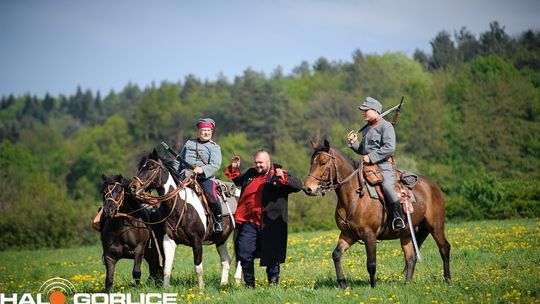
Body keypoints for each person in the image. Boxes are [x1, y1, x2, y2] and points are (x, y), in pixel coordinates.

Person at [225, 149, 302, 287]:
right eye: (256, 162)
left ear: (268, 162)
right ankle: (249, 284)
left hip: (270, 223)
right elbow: (238, 181)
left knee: (272, 254)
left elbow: (297, 185)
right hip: (249, 221)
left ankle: (273, 283)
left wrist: (284, 178)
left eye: (261, 163)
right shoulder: (251, 173)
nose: (258, 165)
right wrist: (235, 168)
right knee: (243, 251)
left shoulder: (277, 173)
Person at [347, 97, 405, 231]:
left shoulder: (386, 126)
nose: (363, 113)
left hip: (384, 167)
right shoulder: (367, 129)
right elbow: (363, 150)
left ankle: (398, 218)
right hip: (368, 167)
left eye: (366, 110)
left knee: (386, 187)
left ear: (375, 111)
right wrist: (353, 143)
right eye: (363, 110)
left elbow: (390, 148)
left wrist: (371, 157)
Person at [176, 118, 224, 232]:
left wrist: (202, 170)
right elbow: (179, 160)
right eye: (204, 130)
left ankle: (219, 221)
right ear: (199, 131)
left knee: (212, 197)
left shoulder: (214, 147)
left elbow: (215, 165)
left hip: (204, 178)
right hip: (185, 176)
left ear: (212, 132)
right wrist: (173, 171)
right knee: (169, 191)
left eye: (208, 130)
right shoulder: (189, 143)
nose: (206, 133)